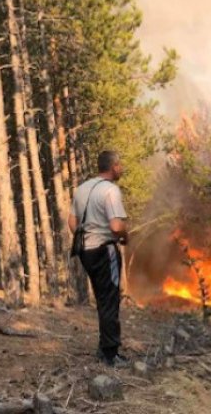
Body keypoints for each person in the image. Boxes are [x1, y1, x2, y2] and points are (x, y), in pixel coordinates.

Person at [68, 151, 129, 368]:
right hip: (105, 250)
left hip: (86, 251)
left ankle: (104, 347)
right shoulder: (110, 190)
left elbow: (72, 222)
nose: (121, 169)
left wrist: (87, 238)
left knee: (102, 298)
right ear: (112, 166)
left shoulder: (82, 189)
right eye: (119, 165)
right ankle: (111, 354)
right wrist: (125, 235)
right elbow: (115, 226)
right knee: (110, 298)